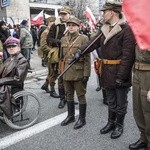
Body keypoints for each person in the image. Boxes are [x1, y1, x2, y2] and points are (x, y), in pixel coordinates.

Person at [72, 2, 135, 138]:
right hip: (106, 71)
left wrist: (122, 76)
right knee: (111, 100)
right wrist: (79, 52)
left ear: (112, 12)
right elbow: (92, 43)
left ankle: (119, 125)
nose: (102, 14)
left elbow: (128, 56)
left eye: (104, 12)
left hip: (119, 71)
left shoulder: (126, 29)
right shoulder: (104, 29)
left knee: (121, 102)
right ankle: (110, 122)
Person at [60, 17, 91, 129]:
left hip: (78, 72)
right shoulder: (63, 39)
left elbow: (87, 58)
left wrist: (86, 74)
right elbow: (61, 57)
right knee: (69, 94)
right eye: (69, 25)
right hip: (66, 71)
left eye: (73, 25)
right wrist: (61, 71)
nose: (71, 27)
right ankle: (70, 116)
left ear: (78, 26)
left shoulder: (84, 38)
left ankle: (82, 119)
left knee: (81, 96)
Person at [46, 6, 72, 108]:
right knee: (61, 78)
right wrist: (57, 42)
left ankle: (69, 98)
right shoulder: (55, 25)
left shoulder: (73, 24)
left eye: (65, 14)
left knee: (71, 78)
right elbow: (49, 39)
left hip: (71, 55)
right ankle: (62, 99)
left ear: (69, 14)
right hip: (61, 56)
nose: (63, 16)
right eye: (61, 14)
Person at [0, 37, 28, 118]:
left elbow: (18, 78)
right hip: (6, 83)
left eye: (13, 46)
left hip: (13, 86)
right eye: (9, 47)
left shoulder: (22, 60)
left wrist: (1, 81)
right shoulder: (9, 59)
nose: (11, 48)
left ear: (18, 47)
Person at [129, 46, 150, 150]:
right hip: (137, 74)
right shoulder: (139, 33)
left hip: (148, 76)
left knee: (148, 110)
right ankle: (144, 138)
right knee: (138, 108)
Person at [40, 16, 56, 93]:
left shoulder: (52, 32)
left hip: (53, 55)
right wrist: (52, 51)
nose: (53, 24)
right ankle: (52, 90)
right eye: (52, 22)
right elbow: (43, 46)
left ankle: (45, 85)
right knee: (52, 72)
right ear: (48, 23)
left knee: (51, 72)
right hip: (49, 55)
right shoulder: (45, 32)